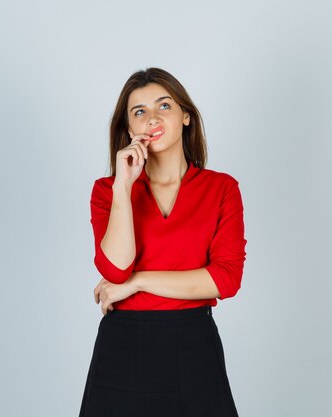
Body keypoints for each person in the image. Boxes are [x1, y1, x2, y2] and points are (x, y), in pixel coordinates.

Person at [78, 67, 247, 417]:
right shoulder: (107, 191)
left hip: (194, 345)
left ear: (185, 116)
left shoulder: (221, 189)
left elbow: (225, 279)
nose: (151, 118)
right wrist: (124, 185)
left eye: (163, 106)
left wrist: (139, 282)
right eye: (139, 112)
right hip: (123, 347)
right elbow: (115, 269)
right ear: (129, 129)